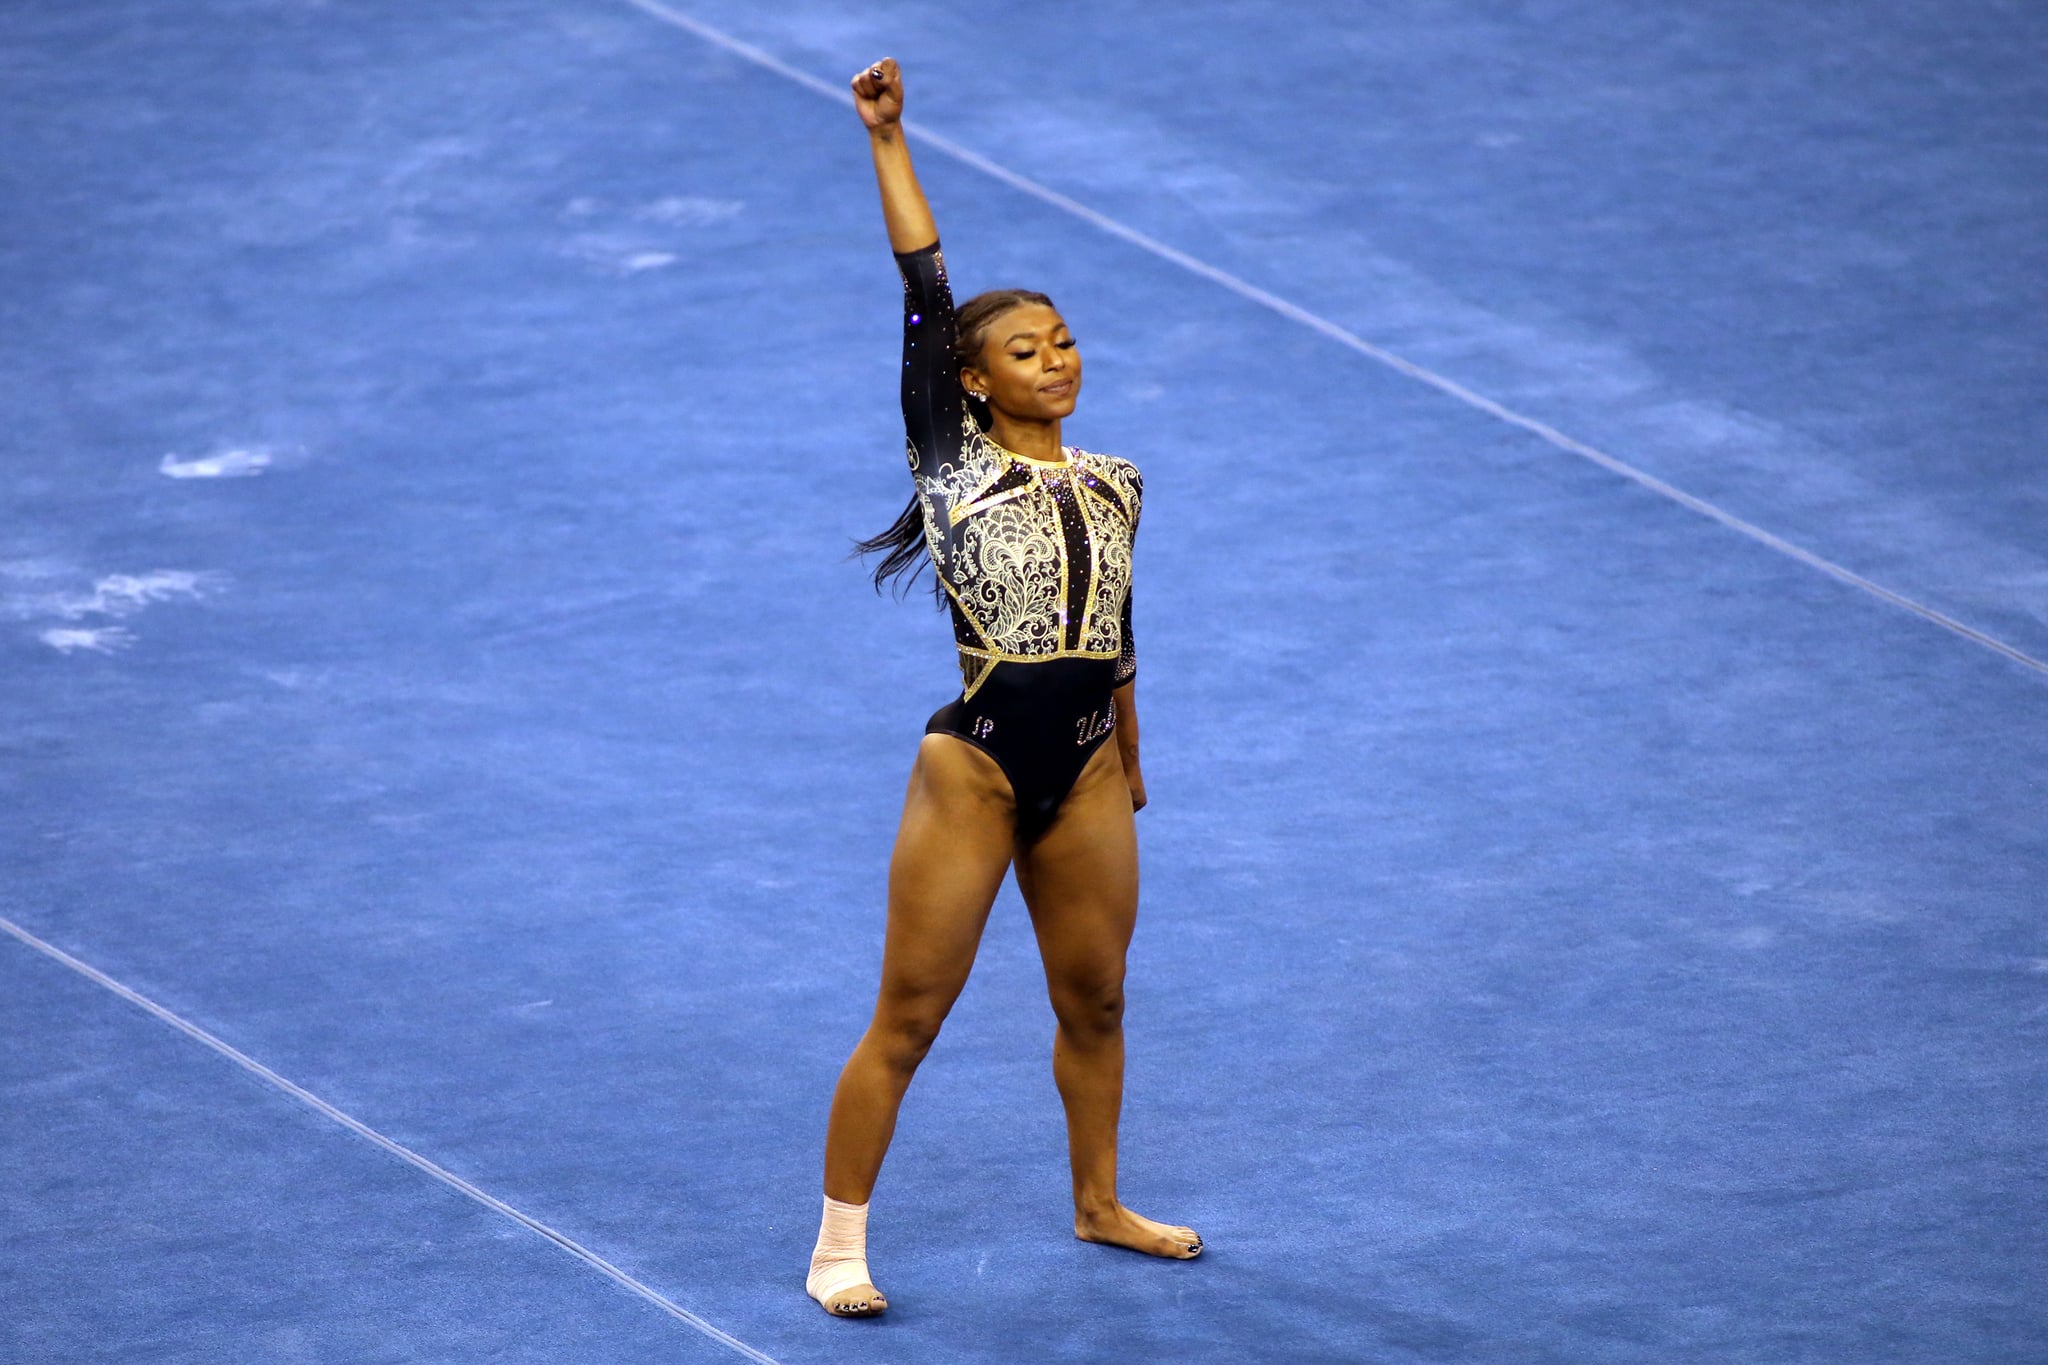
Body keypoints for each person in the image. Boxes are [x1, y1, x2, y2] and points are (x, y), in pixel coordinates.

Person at [804, 58, 1202, 1319]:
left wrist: (1129, 760)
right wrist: (887, 139)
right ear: (972, 381)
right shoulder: (948, 462)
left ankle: (1098, 1205)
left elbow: (1119, 628)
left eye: (1066, 340)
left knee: (1097, 997)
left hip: (1083, 760)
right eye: (1025, 350)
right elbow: (924, 289)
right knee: (910, 1018)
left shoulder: (1117, 480)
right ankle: (835, 1248)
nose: (1055, 361)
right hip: (975, 763)